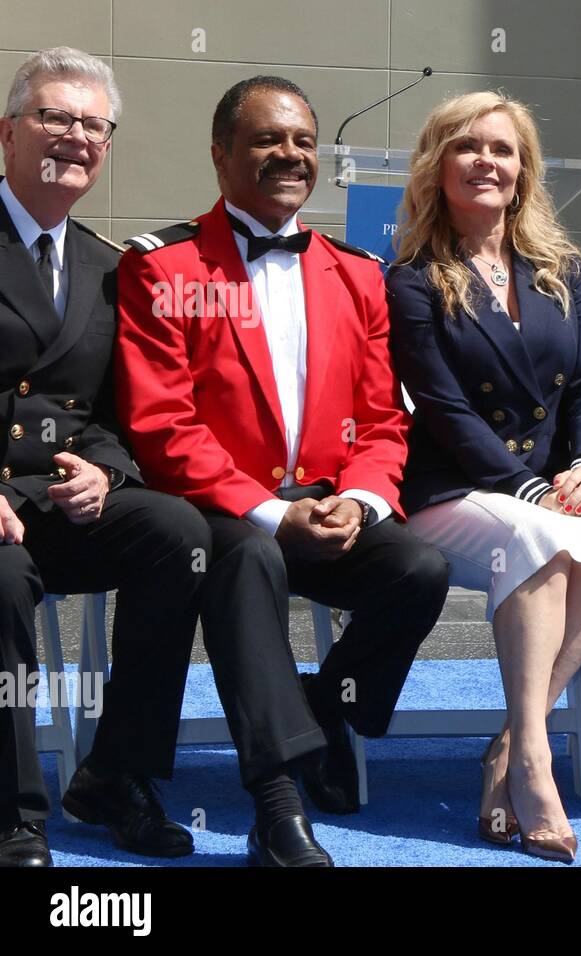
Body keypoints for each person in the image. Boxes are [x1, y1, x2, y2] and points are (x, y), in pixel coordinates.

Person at [114, 76, 450, 866]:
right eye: (268, 140)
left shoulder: (359, 273)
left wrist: (363, 502)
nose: (290, 155)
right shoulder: (163, 268)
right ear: (221, 153)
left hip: (329, 501)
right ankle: (277, 804)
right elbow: (163, 427)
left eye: (303, 141)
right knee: (253, 554)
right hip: (221, 514)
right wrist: (268, 510)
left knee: (420, 568)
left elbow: (381, 418)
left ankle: (325, 704)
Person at [386, 92, 581, 864]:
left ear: (524, 171)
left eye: (503, 150)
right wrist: (528, 485)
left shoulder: (566, 271)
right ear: (437, 164)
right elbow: (442, 407)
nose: (487, 162)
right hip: (447, 491)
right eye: (468, 147)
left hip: (545, 489)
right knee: (540, 534)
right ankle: (534, 763)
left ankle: (508, 748)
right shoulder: (414, 280)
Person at [0, 48, 209, 868]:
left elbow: (119, 413)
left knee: (177, 532)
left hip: (58, 500)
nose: (76, 136)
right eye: (56, 116)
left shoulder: (113, 267)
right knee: (3, 576)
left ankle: (116, 774)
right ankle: (17, 812)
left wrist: (107, 471)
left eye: (94, 125)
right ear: (8, 132)